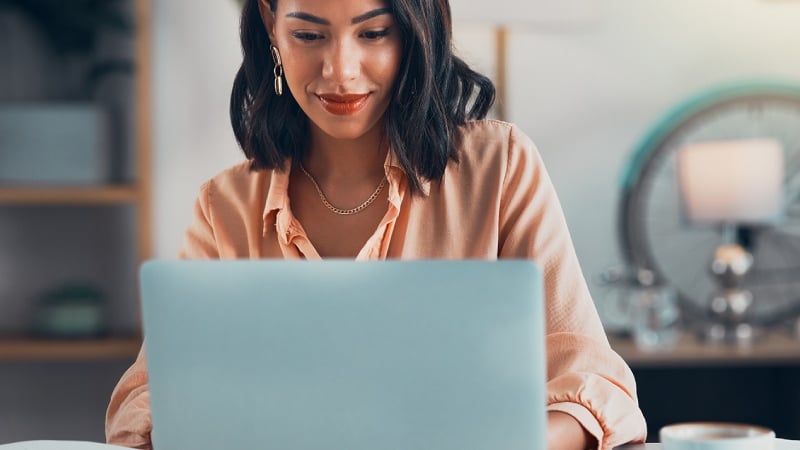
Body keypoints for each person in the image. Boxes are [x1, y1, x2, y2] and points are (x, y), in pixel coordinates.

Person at [106, 0, 648, 448]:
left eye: (374, 33)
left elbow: (597, 387)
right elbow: (145, 400)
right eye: (309, 35)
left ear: (415, 33)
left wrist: (501, 442)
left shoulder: (500, 166)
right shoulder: (225, 205)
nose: (340, 70)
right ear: (272, 25)